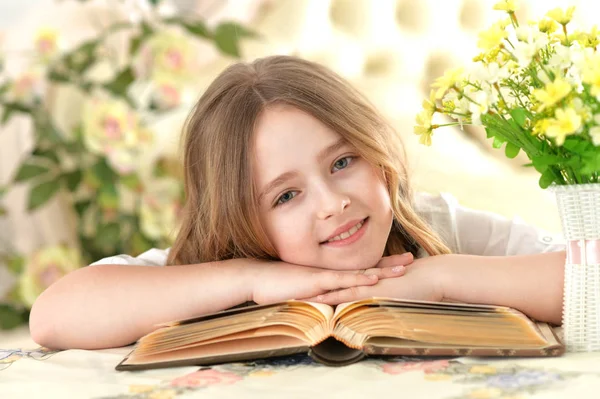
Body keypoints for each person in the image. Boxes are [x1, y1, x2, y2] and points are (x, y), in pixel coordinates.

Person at [29, 55, 566, 351]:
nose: (332, 204)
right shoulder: (223, 266)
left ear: (378, 156)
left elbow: (585, 275)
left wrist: (439, 279)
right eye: (286, 195)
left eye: (342, 163)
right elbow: (53, 318)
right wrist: (250, 280)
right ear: (239, 219)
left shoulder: (427, 223)